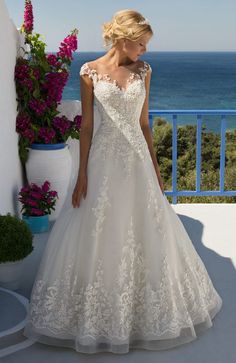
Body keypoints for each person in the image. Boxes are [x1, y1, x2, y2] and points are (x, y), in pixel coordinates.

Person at [23, 9, 223, 354]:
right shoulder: (89, 72)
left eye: (146, 45)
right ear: (124, 38)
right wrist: (81, 173)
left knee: (146, 229)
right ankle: (96, 314)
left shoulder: (144, 71)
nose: (145, 51)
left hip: (137, 162)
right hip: (102, 160)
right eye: (142, 44)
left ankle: (143, 310)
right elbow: (85, 128)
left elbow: (144, 124)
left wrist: (157, 170)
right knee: (101, 228)